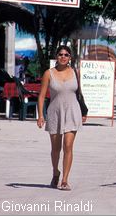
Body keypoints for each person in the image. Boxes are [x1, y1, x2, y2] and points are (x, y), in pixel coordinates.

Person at [37, 45, 87, 191]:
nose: (63, 57)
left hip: (72, 112)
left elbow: (80, 94)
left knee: (68, 146)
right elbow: (41, 96)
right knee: (55, 149)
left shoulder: (75, 72)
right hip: (55, 113)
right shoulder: (49, 73)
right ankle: (55, 172)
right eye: (60, 54)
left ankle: (65, 180)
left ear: (70, 57)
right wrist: (40, 115)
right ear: (56, 57)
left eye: (66, 54)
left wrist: (84, 112)